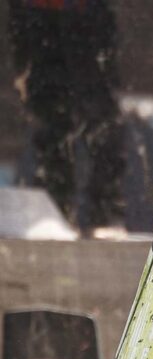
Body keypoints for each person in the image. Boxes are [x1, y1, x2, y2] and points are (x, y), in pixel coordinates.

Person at [7, 0, 125, 233]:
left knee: (100, 119)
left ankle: (103, 212)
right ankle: (60, 208)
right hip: (40, 19)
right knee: (53, 123)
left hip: (83, 18)